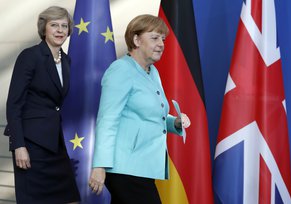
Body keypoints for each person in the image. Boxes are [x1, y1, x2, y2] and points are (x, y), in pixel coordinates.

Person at [88, 14, 191, 204]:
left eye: (163, 39)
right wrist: (99, 165)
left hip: (143, 167)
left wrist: (174, 122)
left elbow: (151, 116)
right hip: (124, 168)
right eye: (154, 37)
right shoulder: (121, 70)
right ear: (136, 40)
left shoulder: (152, 72)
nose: (161, 43)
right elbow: (107, 120)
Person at [4, 6, 80, 204]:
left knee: (70, 198)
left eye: (64, 26)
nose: (60, 30)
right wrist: (18, 145)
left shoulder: (66, 61)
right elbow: (14, 104)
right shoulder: (30, 56)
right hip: (31, 144)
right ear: (44, 28)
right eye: (54, 25)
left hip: (55, 143)